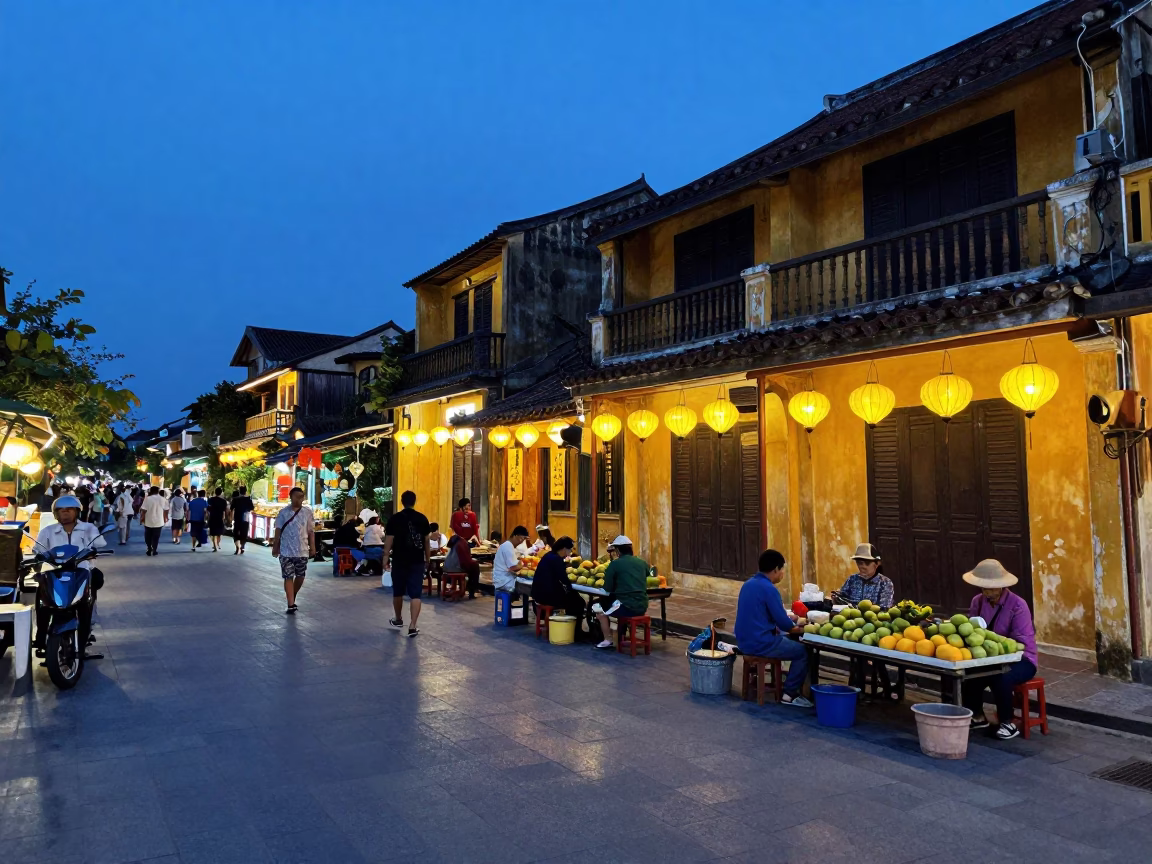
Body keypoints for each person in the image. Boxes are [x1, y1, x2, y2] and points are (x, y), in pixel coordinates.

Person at [960, 559, 1038, 741]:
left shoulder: (1018, 605)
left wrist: (994, 644)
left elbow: (1020, 642)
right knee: (969, 674)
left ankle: (1007, 723)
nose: (988, 592)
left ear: (1002, 586)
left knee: (1001, 676)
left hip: (1021, 659)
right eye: (984, 587)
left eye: (992, 588)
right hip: (990, 656)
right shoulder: (977, 602)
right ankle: (978, 716)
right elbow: (973, 629)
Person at [734, 549, 812, 707]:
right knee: (803, 651)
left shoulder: (748, 584)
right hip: (761, 643)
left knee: (787, 640)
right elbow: (785, 625)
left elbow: (761, 613)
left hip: (744, 641)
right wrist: (807, 628)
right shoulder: (769, 589)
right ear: (776, 569)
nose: (782, 573)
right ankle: (790, 694)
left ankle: (785, 684)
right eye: (782, 569)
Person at [32, 494, 106, 656]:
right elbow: (38, 550)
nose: (65, 513)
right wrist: (39, 558)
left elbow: (99, 544)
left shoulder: (88, 528)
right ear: (56, 514)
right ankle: (41, 638)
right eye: (61, 510)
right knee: (42, 598)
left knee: (88, 598)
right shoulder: (48, 531)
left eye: (69, 510)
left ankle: (85, 633)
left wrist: (93, 551)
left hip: (82, 571)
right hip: (56, 572)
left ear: (77, 512)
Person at [381, 490, 430, 637]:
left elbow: (388, 541)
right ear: (414, 501)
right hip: (417, 560)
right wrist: (427, 559)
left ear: (402, 501)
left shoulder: (395, 519)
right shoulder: (422, 519)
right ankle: (413, 626)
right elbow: (426, 541)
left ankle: (398, 619)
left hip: (399, 560)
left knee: (398, 591)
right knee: (416, 594)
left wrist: (385, 559)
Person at [593, 535, 650, 650]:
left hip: (626, 605)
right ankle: (620, 634)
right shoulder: (642, 563)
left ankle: (607, 640)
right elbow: (647, 574)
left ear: (618, 550)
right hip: (642, 605)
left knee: (598, 608)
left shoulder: (615, 564)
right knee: (611, 605)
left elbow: (607, 589)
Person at [530, 535, 586, 639]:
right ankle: (576, 632)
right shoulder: (556, 559)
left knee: (574, 598)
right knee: (578, 602)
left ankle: (573, 629)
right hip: (547, 596)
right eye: (570, 550)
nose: (570, 553)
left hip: (538, 594)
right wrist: (570, 587)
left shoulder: (548, 556)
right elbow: (564, 579)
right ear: (564, 549)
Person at [271, 486, 315, 614]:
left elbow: (311, 531)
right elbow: (278, 529)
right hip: (286, 551)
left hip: (302, 550)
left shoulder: (307, 513)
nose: (299, 499)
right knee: (288, 576)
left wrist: (313, 546)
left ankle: (292, 594)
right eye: (297, 497)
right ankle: (291, 604)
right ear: (291, 497)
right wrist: (275, 546)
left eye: (301, 497)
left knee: (300, 576)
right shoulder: (283, 513)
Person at [835, 543, 895, 609]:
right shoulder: (852, 579)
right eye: (859, 563)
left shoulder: (885, 583)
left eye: (867, 563)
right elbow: (842, 599)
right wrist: (836, 598)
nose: (862, 566)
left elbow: (884, 608)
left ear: (877, 563)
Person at [442, 535, 481, 599]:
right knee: (475, 568)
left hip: (447, 567)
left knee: (473, 567)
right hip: (457, 567)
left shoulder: (454, 543)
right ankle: (471, 591)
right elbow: (465, 561)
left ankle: (466, 588)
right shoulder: (462, 543)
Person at [492, 525, 528, 594]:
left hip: (502, 579)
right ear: (516, 536)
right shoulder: (508, 546)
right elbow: (513, 568)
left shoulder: (507, 545)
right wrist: (523, 564)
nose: (521, 542)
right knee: (528, 587)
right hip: (504, 582)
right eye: (522, 539)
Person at [138, 486, 168, 556]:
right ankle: (154, 550)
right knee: (156, 537)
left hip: (148, 520)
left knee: (148, 536)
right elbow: (166, 509)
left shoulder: (147, 499)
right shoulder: (163, 499)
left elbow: (144, 510)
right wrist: (165, 518)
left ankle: (149, 548)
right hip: (159, 521)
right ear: (158, 491)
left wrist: (141, 518)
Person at [231, 486, 254, 554]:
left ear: (239, 491)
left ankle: (237, 547)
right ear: (245, 491)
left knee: (236, 534)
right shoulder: (248, 499)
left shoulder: (235, 499)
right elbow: (252, 508)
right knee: (244, 534)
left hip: (237, 519)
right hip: (245, 519)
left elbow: (232, 509)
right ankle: (242, 546)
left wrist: (230, 518)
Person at [206, 487, 228, 552]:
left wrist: (207, 517)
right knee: (219, 533)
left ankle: (215, 546)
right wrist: (224, 518)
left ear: (215, 492)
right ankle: (217, 544)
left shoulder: (210, 499)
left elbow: (208, 509)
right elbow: (224, 511)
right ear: (221, 493)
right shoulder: (224, 501)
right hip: (220, 518)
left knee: (213, 533)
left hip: (212, 517)